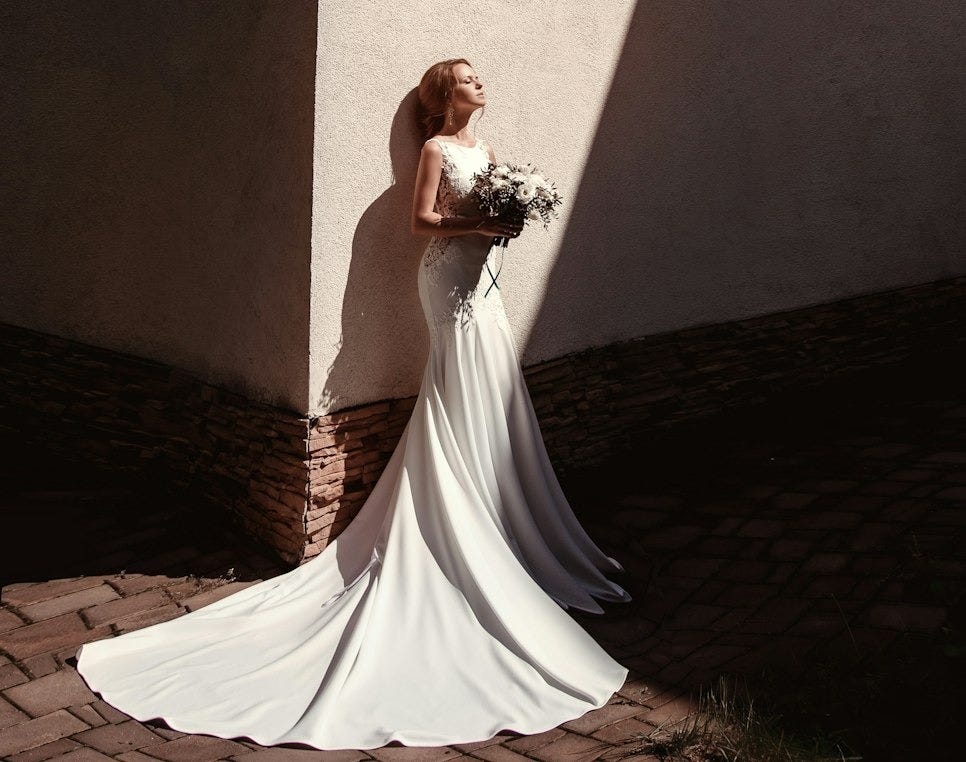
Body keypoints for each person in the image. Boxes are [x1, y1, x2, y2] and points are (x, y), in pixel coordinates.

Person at [73, 57, 632, 751]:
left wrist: (505, 219)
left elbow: (482, 212)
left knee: (491, 385)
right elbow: (423, 222)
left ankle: (500, 517)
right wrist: (476, 226)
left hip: (486, 286)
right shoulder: (433, 149)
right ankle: (456, 527)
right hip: (448, 286)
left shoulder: (484, 151)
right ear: (442, 96)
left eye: (479, 75)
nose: (479, 83)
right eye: (467, 77)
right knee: (457, 385)